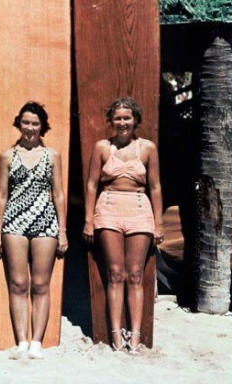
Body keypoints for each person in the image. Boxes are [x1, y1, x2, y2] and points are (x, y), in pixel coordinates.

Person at [82, 97, 163, 355]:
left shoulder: (147, 148)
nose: (122, 123)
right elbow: (92, 184)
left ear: (135, 120)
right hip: (108, 207)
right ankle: (116, 332)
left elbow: (156, 187)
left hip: (139, 208)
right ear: (111, 121)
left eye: (127, 118)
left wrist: (159, 223)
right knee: (115, 273)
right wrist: (88, 220)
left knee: (136, 274)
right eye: (117, 118)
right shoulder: (102, 148)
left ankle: (136, 334)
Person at [0, 102, 67, 360]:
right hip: (14, 222)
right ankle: (21, 340)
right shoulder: (7, 156)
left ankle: (36, 342)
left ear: (42, 126)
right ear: (18, 124)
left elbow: (58, 194)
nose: (30, 128)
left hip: (45, 221)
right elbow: (1, 195)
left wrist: (63, 231)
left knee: (41, 284)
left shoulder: (52, 156)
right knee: (19, 283)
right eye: (25, 122)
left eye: (35, 123)